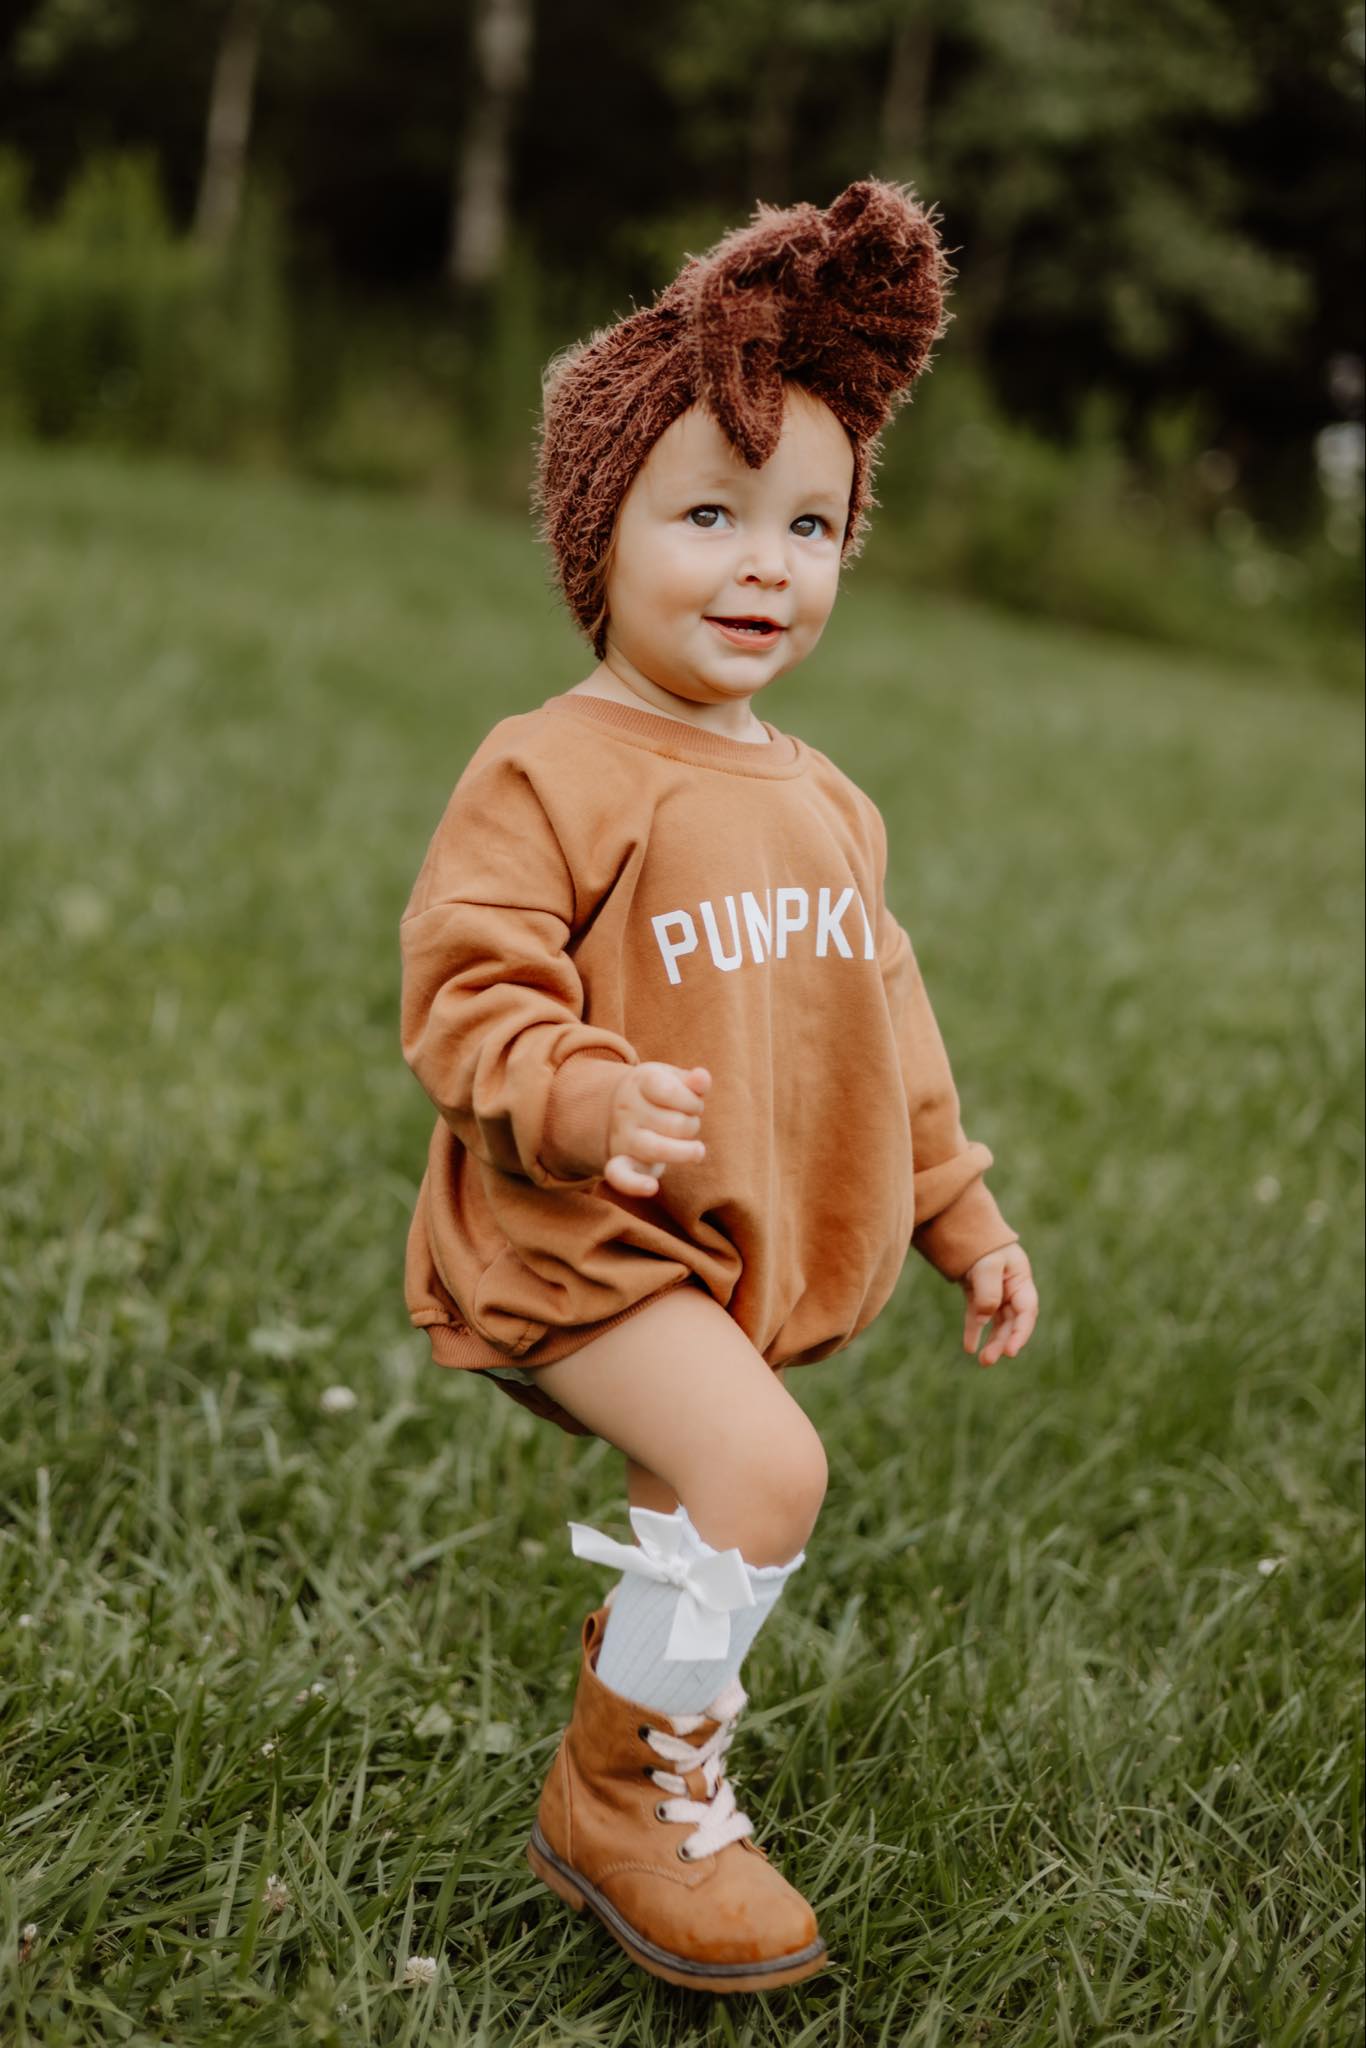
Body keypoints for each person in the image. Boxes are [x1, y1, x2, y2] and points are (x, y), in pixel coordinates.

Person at [399, 176, 1039, 1996]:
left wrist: (957, 1207)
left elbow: (885, 1028)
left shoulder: (828, 802)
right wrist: (575, 1099)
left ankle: (651, 1704)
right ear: (599, 534)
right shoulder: (551, 769)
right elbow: (463, 988)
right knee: (764, 1465)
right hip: (570, 1238)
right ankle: (618, 1797)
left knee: (733, 1482)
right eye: (709, 514)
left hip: (718, 1256)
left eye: (811, 525)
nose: (768, 562)